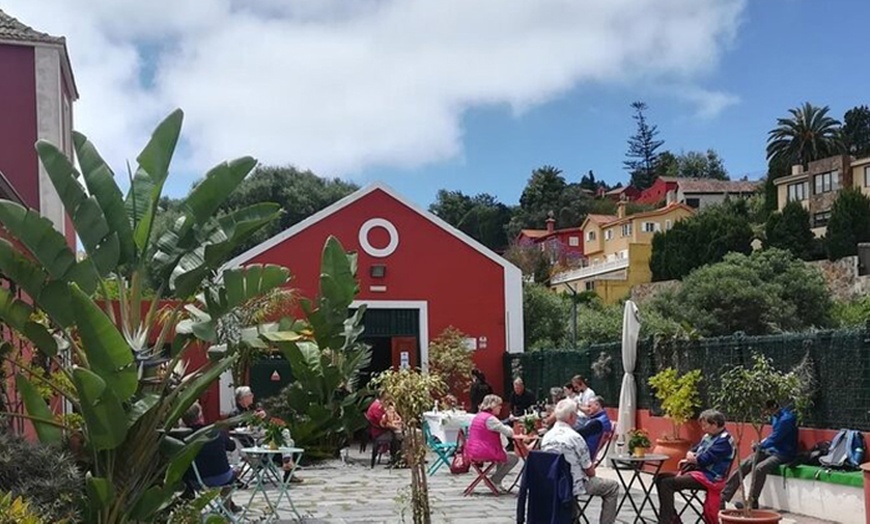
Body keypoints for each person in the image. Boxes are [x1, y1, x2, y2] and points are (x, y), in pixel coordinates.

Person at [541, 398, 620, 524]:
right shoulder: (575, 438)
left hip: (551, 483)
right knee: (613, 487)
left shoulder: (546, 437)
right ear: (572, 417)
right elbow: (590, 471)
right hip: (573, 485)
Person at [656, 409, 735, 524]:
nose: (703, 429)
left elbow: (704, 460)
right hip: (698, 472)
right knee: (660, 478)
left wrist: (693, 458)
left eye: (705, 425)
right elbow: (693, 450)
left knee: (667, 483)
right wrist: (692, 456)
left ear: (715, 424)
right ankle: (671, 517)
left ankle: (666, 521)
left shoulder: (724, 441)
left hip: (710, 477)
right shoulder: (708, 436)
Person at [720, 401, 798, 510]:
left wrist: (760, 445)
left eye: (767, 410)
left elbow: (776, 437)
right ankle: (723, 497)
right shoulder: (775, 417)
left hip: (783, 453)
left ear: (773, 407)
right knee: (744, 464)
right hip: (770, 449)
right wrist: (761, 445)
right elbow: (772, 436)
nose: (766, 413)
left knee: (759, 469)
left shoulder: (787, 419)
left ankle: (752, 501)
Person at [182, 402, 240, 512]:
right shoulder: (215, 431)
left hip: (196, 481)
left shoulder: (183, 438)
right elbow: (232, 446)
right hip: (222, 477)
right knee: (230, 475)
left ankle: (190, 511)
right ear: (201, 416)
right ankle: (227, 508)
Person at [466, 394, 521, 493]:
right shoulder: (491, 419)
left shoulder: (479, 416)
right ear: (493, 405)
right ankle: (495, 479)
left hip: (473, 450)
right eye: (499, 405)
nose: (500, 407)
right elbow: (509, 433)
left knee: (503, 455)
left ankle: (497, 482)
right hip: (485, 451)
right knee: (514, 458)